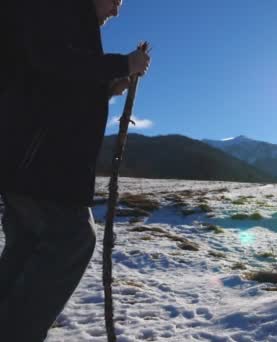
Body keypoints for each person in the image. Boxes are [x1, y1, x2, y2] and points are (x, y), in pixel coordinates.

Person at [0, 0, 150, 340]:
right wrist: (122, 63)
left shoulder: (70, 20)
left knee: (25, 247)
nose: (116, 12)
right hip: (39, 163)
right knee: (73, 237)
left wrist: (105, 88)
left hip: (28, 161)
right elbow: (52, 60)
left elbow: (56, 85)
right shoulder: (58, 9)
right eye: (115, 0)